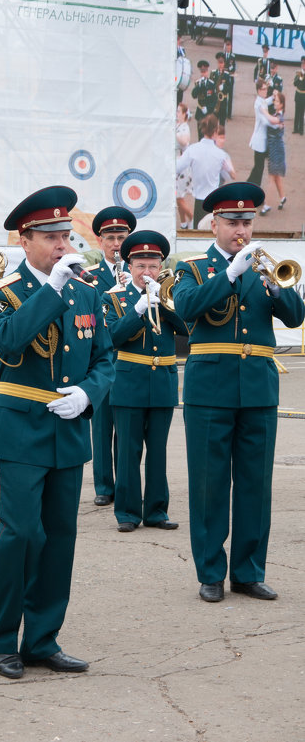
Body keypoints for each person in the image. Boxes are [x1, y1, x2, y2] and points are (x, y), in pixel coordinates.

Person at [0, 185, 114, 679]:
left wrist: (88, 394)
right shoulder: (0, 292)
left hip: (69, 430)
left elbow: (105, 357)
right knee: (20, 535)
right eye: (51, 236)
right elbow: (10, 343)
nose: (62, 245)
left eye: (66, 235)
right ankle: (4, 640)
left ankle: (43, 639)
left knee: (59, 538)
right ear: (24, 239)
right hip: (20, 433)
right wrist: (50, 290)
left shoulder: (87, 291)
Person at [173, 182, 305, 603]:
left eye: (247, 222)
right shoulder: (193, 268)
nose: (241, 230)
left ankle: (248, 572)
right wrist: (230, 274)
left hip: (259, 389)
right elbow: (186, 308)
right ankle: (211, 572)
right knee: (210, 485)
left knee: (254, 485)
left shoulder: (266, 268)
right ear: (214, 223)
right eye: (232, 222)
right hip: (209, 387)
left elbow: (296, 316)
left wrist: (279, 288)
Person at [102, 231, 186, 534]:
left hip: (162, 381)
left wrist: (164, 301)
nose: (147, 272)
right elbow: (110, 338)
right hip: (128, 383)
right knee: (127, 452)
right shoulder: (114, 298)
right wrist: (138, 310)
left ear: (160, 266)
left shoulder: (169, 296)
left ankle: (156, 511)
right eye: (140, 266)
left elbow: (187, 329)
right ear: (129, 268)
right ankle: (126, 512)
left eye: (152, 266)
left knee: (158, 452)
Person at [86, 206, 137, 506]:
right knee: (102, 424)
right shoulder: (91, 277)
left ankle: (128, 483)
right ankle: (104, 485)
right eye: (111, 238)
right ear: (100, 242)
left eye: (121, 237)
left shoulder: (140, 273)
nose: (117, 244)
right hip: (100, 358)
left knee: (128, 427)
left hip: (130, 358)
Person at [176, 114, 235, 228]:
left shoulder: (193, 149)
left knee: (198, 234)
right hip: (214, 202)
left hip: (199, 202)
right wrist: (228, 169)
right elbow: (230, 176)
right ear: (216, 131)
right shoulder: (220, 154)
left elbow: (177, 168)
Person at [247, 79, 274, 208]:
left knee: (258, 168)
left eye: (266, 89)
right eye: (263, 89)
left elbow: (266, 101)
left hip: (263, 141)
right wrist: (276, 122)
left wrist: (274, 97)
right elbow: (265, 121)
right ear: (258, 91)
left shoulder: (261, 101)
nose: (266, 91)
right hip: (259, 141)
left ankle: (247, 187)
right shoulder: (258, 104)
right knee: (259, 169)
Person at [262, 90, 287, 211]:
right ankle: (282, 197)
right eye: (275, 101)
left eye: (277, 101)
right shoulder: (276, 113)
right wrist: (274, 95)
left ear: (281, 104)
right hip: (274, 149)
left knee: (272, 177)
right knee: (276, 177)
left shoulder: (279, 116)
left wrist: (263, 111)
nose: (275, 103)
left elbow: (272, 120)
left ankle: (267, 204)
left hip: (277, 150)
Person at [176, 102, 194, 229]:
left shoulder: (184, 128)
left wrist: (174, 133)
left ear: (184, 114)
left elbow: (185, 141)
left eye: (178, 111)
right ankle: (183, 222)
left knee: (178, 196)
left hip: (181, 168)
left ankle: (192, 217)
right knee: (178, 196)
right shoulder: (178, 125)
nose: (176, 114)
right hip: (175, 165)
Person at [191, 60, 217, 140]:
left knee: (208, 133)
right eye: (202, 72)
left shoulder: (211, 84)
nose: (203, 74)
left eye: (205, 72)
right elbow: (194, 95)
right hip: (200, 112)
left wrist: (208, 108)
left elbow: (214, 100)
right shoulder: (198, 83)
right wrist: (199, 87)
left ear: (207, 72)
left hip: (208, 113)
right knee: (200, 134)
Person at [210, 52, 232, 127]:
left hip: (223, 102)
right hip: (215, 102)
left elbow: (230, 89)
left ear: (224, 63)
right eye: (219, 63)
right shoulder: (213, 73)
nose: (220, 65)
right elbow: (210, 86)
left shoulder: (226, 75)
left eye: (222, 63)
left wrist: (224, 87)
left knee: (222, 124)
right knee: (214, 124)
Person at [223, 37, 236, 118]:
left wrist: (232, 69)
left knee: (230, 96)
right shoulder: (222, 55)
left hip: (230, 78)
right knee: (223, 96)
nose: (228, 47)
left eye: (229, 45)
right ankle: (223, 113)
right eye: (227, 45)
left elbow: (234, 67)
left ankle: (229, 114)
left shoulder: (233, 56)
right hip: (224, 77)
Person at [292, 56, 305, 135]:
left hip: (303, 95)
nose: (303, 65)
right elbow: (295, 83)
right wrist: (300, 77)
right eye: (302, 63)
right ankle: (295, 128)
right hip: (298, 94)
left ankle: (301, 130)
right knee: (297, 112)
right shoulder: (298, 73)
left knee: (302, 112)